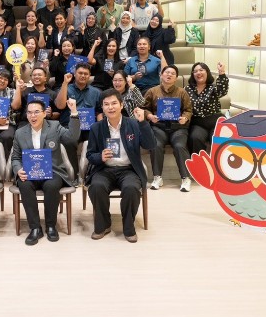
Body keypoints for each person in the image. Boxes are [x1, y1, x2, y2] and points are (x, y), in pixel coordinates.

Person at [86, 89, 154, 242]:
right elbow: (90, 155)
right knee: (96, 187)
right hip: (105, 169)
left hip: (128, 169)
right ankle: (104, 224)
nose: (110, 107)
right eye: (106, 104)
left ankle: (129, 227)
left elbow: (150, 145)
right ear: (102, 108)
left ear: (121, 105)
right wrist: (100, 156)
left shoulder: (134, 124)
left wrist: (143, 123)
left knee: (131, 188)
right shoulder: (96, 128)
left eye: (114, 103)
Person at [11, 97, 81, 245]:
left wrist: (74, 112)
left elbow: (72, 138)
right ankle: (35, 228)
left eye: (36, 112)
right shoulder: (20, 133)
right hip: (29, 173)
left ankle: (51, 226)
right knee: (24, 185)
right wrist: (18, 170)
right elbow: (15, 158)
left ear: (44, 113)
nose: (33, 116)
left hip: (52, 171)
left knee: (51, 185)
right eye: (29, 112)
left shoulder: (55, 127)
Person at [142, 64, 194, 192]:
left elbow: (188, 110)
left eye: (172, 73)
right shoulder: (152, 91)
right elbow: (144, 108)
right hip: (158, 127)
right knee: (156, 145)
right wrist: (150, 116)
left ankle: (185, 178)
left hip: (178, 128)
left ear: (176, 78)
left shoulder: (182, 92)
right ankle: (157, 177)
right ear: (161, 75)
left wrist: (185, 118)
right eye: (167, 72)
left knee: (179, 146)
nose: (169, 75)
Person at [186, 62, 229, 154]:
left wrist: (221, 72)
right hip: (198, 123)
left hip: (215, 121)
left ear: (207, 72)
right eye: (195, 71)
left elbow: (223, 90)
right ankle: (199, 162)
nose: (198, 73)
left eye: (201, 70)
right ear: (193, 75)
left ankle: (217, 162)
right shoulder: (187, 89)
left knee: (218, 139)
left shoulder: (213, 88)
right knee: (195, 138)